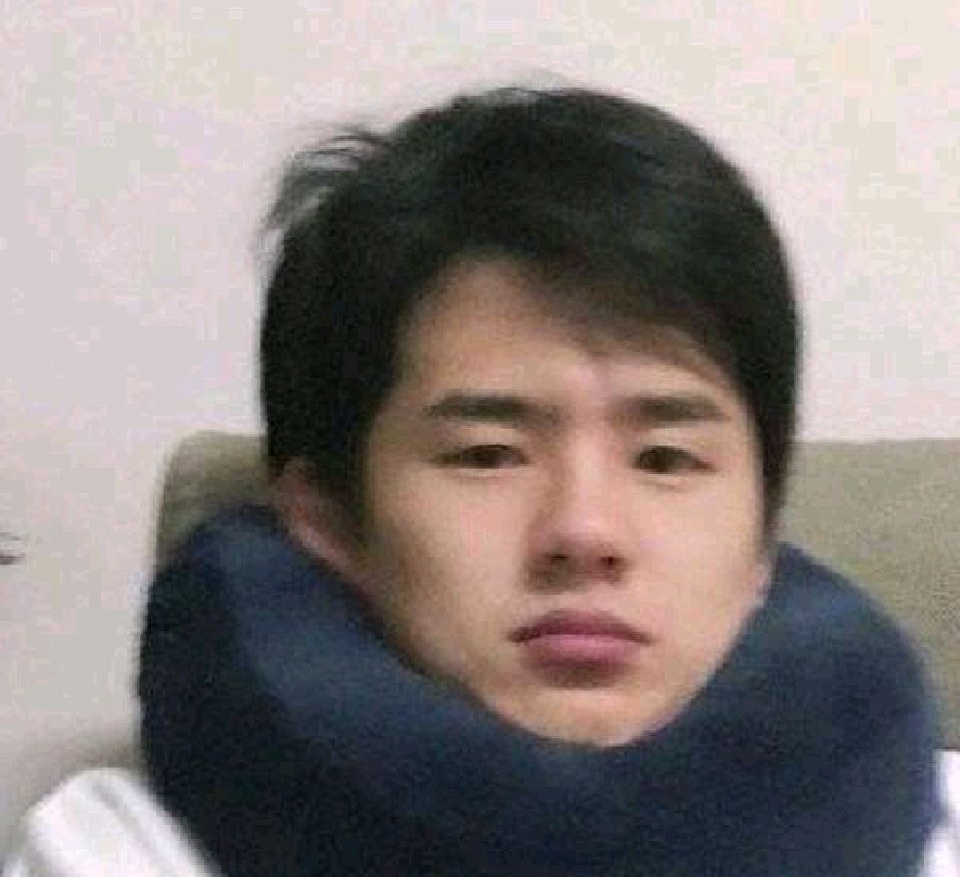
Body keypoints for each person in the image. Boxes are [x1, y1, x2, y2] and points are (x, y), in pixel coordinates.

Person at [5, 87, 958, 876]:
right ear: (328, 519)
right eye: (488, 454)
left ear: (761, 543)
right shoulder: (117, 853)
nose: (585, 532)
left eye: (666, 459)